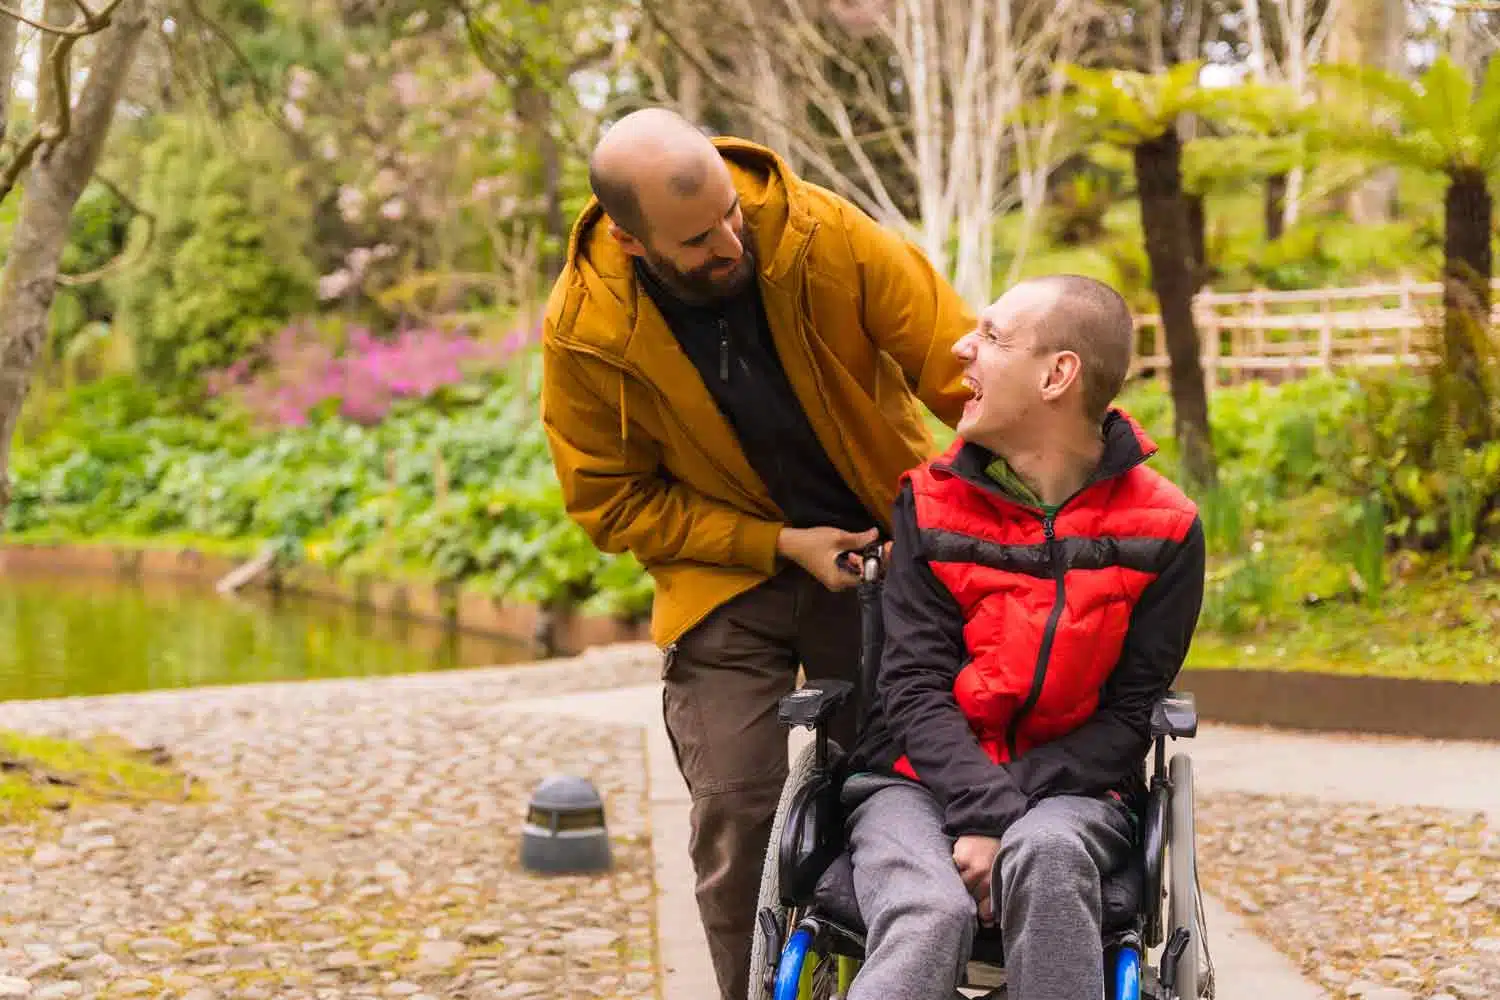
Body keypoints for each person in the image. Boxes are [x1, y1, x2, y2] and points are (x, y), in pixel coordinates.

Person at [538, 107, 975, 1000]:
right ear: (628, 238)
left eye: (731, 215)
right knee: (738, 812)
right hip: (725, 580)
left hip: (879, 552)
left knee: (887, 792)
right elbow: (611, 501)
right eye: (697, 240)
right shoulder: (584, 331)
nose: (729, 242)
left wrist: (1031, 481)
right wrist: (773, 543)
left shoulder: (822, 234)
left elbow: (963, 366)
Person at [840, 274, 1206, 1000]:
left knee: (1047, 852)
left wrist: (1008, 810)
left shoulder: (1165, 528)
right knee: (928, 908)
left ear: (1057, 375)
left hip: (1072, 791)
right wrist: (983, 808)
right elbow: (911, 686)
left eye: (993, 337)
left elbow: (1132, 714)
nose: (961, 348)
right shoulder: (930, 500)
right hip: (913, 782)